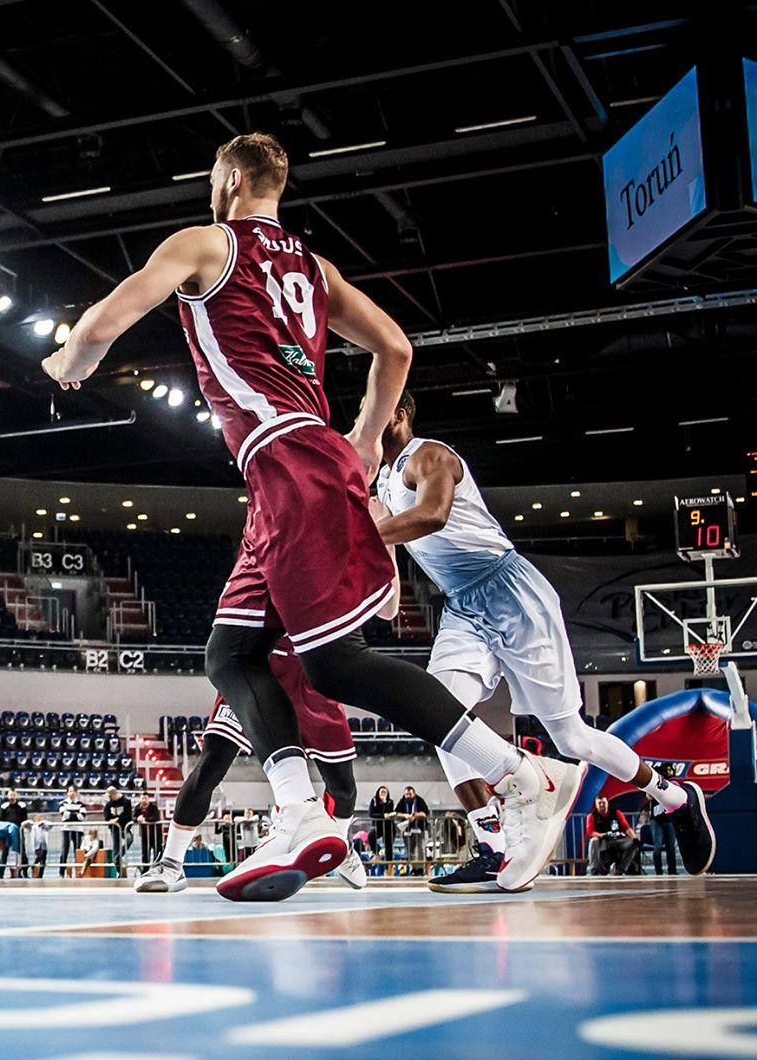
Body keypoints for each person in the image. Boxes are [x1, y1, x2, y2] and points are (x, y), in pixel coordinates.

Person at [41, 130, 578, 899]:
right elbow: (394, 347)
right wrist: (363, 437)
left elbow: (98, 326)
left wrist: (68, 362)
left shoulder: (206, 243)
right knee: (230, 654)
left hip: (290, 462)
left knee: (334, 664)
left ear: (227, 178)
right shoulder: (315, 268)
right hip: (289, 469)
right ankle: (301, 809)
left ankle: (524, 776)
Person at [373, 391, 713, 887]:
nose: (364, 419)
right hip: (463, 606)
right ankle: (491, 846)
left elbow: (433, 515)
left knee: (570, 737)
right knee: (438, 716)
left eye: (374, 409)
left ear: (399, 414)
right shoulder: (381, 479)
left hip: (510, 590)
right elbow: (383, 539)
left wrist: (358, 534)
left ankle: (673, 795)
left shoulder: (429, 455)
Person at [138, 642, 366, 893]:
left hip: (311, 669)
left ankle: (340, 844)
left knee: (343, 786)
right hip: (258, 665)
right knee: (211, 764)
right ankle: (171, 863)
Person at [586, 796, 640, 876]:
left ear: (607, 803)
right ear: (596, 805)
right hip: (603, 841)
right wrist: (602, 835)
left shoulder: (616, 813)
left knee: (633, 844)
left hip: (618, 840)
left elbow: (627, 828)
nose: (601, 805)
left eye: (603, 803)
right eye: (599, 803)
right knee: (594, 840)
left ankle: (620, 870)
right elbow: (590, 832)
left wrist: (634, 838)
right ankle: (594, 869)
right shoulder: (592, 816)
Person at [101, 786, 133, 877]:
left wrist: (118, 819)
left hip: (124, 827)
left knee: (129, 839)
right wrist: (110, 821)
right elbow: (107, 817)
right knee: (115, 848)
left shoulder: (126, 802)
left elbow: (128, 816)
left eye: (110, 796)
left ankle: (118, 856)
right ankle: (120, 872)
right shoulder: (109, 804)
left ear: (114, 794)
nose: (109, 798)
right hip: (114, 828)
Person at [394, 785, 431, 861]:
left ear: (414, 794)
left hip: (420, 829)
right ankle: (414, 868)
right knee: (410, 851)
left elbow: (424, 814)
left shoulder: (420, 800)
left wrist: (414, 816)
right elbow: (396, 813)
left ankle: (421, 869)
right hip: (407, 830)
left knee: (420, 849)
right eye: (406, 794)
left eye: (410, 794)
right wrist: (405, 815)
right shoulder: (403, 801)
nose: (408, 796)